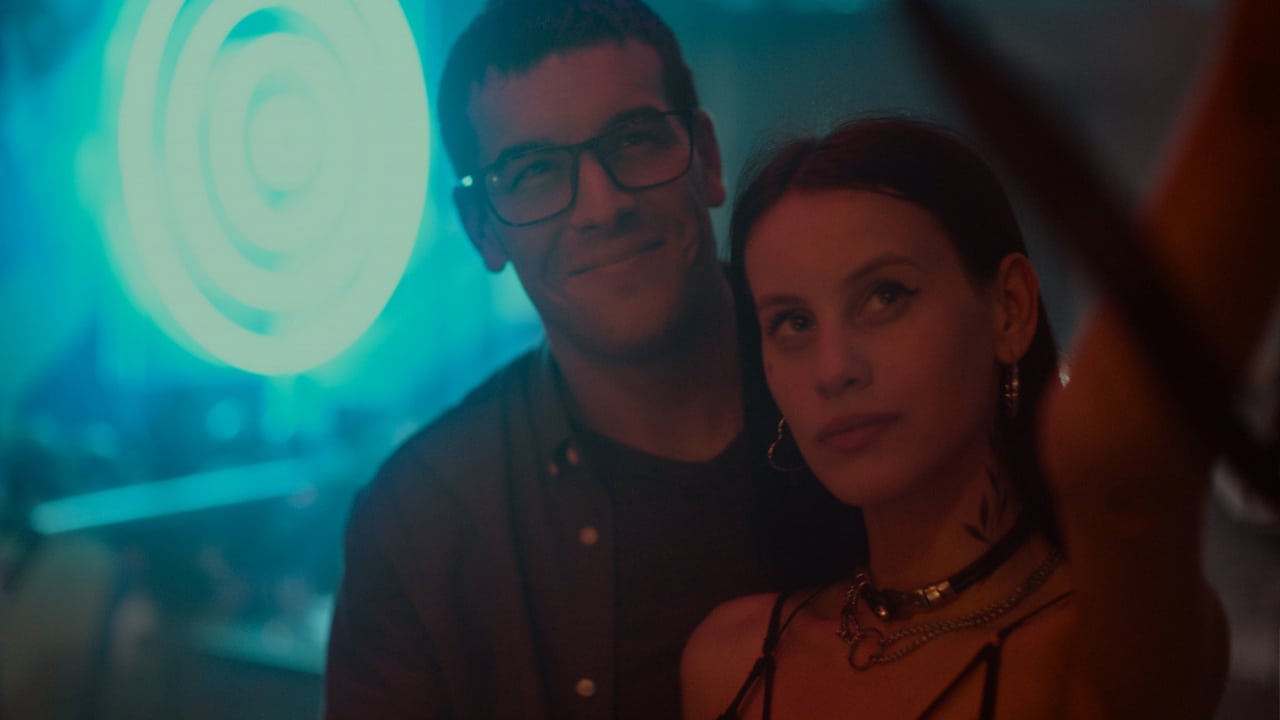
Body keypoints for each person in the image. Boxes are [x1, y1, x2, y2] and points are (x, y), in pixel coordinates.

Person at [322, 2, 859, 718]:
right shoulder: (421, 523)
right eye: (535, 170)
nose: (603, 206)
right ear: (483, 230)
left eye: (634, 139)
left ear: (706, 157)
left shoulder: (867, 380)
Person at [680, 114, 1235, 719]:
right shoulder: (729, 660)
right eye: (792, 322)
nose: (833, 369)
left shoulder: (1095, 652)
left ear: (1010, 308)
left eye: (885, 295)